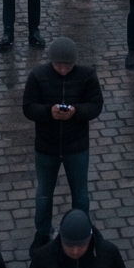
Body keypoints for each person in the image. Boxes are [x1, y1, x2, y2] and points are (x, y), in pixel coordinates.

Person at [21, 35, 102, 245]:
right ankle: (42, 234)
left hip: (77, 147)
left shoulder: (87, 76)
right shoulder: (38, 76)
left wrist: (76, 112)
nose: (63, 70)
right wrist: (49, 112)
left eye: (67, 65)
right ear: (51, 61)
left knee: (81, 196)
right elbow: (28, 107)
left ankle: (83, 231)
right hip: (46, 148)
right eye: (59, 65)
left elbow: (95, 105)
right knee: (44, 195)